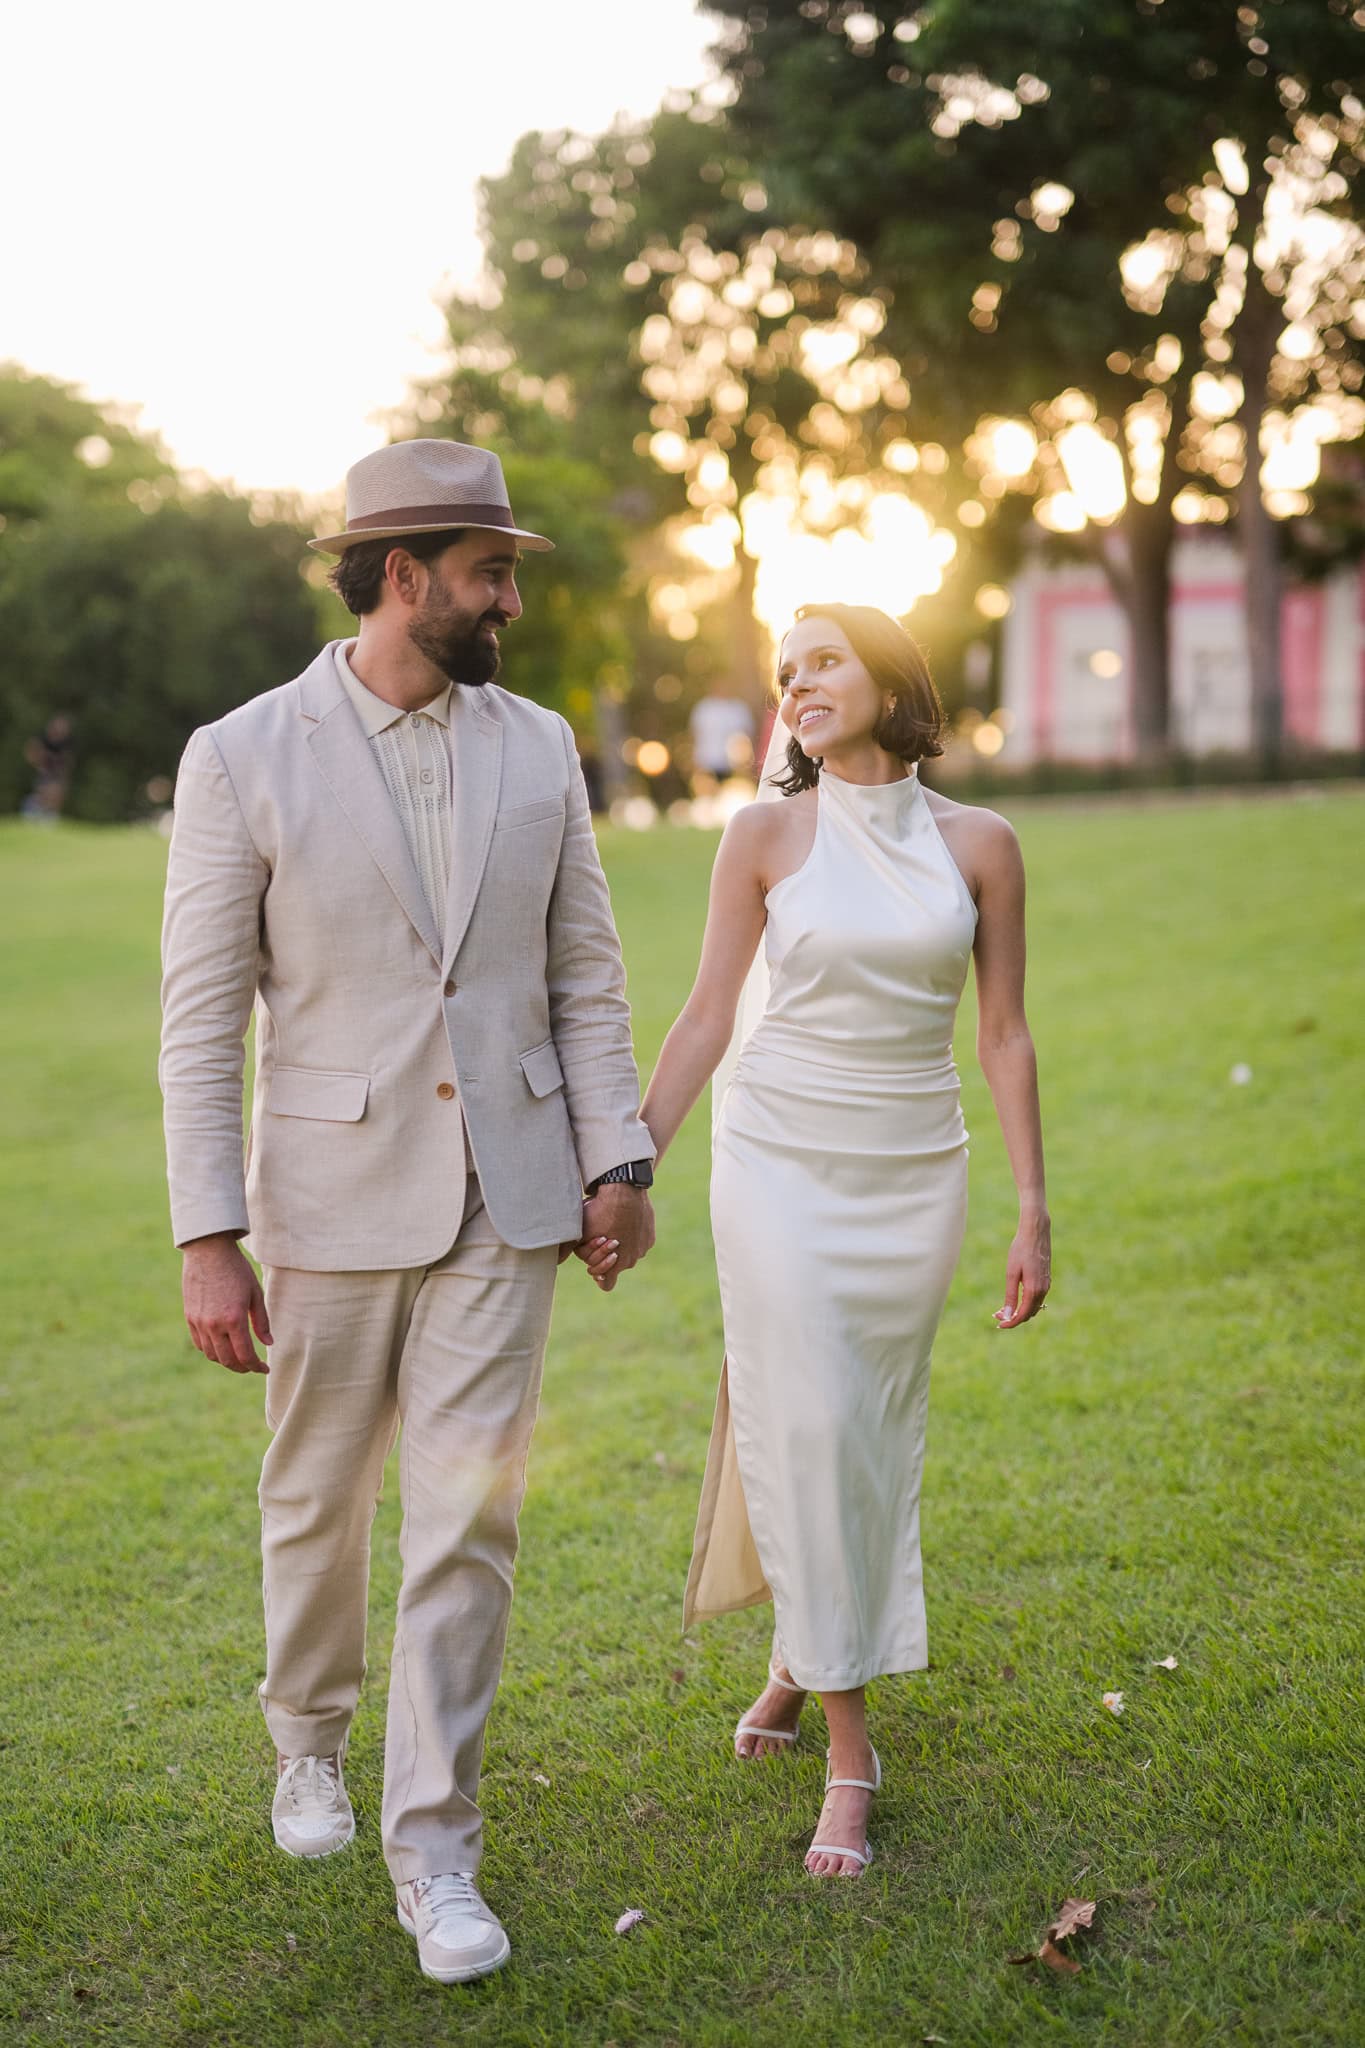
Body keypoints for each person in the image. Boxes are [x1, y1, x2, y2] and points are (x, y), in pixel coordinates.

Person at [158, 439, 657, 1984]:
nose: (510, 595)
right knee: (314, 1499)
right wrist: (206, 1229)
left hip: (508, 1201)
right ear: (402, 576)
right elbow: (200, 1014)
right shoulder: (239, 754)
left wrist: (616, 1156)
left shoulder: (541, 746)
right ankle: (305, 1738)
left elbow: (584, 973)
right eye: (491, 571)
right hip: (322, 1198)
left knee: (468, 1524)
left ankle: (436, 1853)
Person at [619, 603, 1049, 1879]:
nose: (800, 683)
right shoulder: (762, 834)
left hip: (915, 1172)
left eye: (825, 659)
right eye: (785, 671)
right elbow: (704, 1016)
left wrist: (1033, 1204)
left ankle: (801, 1654)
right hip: (777, 1163)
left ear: (890, 675)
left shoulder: (983, 844)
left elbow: (1006, 1033)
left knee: (860, 1423)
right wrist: (627, 1163)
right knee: (808, 1415)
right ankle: (852, 1748)